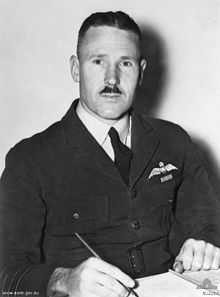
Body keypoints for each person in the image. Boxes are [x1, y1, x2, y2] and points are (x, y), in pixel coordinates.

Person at [0, 11, 220, 297]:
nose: (112, 78)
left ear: (141, 70)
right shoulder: (29, 160)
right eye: (98, 61)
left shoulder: (175, 142)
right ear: (76, 69)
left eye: (125, 63)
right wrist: (62, 280)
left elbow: (210, 226)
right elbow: (5, 275)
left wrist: (204, 244)